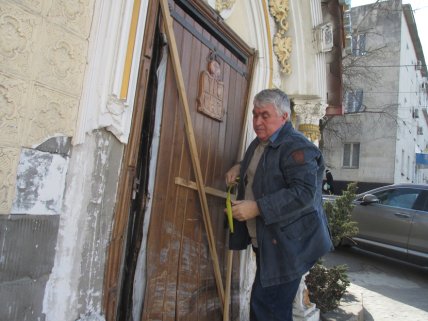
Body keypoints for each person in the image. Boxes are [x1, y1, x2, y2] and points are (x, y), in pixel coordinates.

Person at [224, 88, 333, 321]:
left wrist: (256, 208)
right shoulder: (262, 141)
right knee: (269, 307)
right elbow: (267, 166)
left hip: (288, 247)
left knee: (267, 310)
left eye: (265, 115)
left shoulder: (297, 147)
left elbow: (303, 193)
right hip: (270, 242)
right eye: (255, 115)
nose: (257, 121)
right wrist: (240, 167)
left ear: (284, 117)